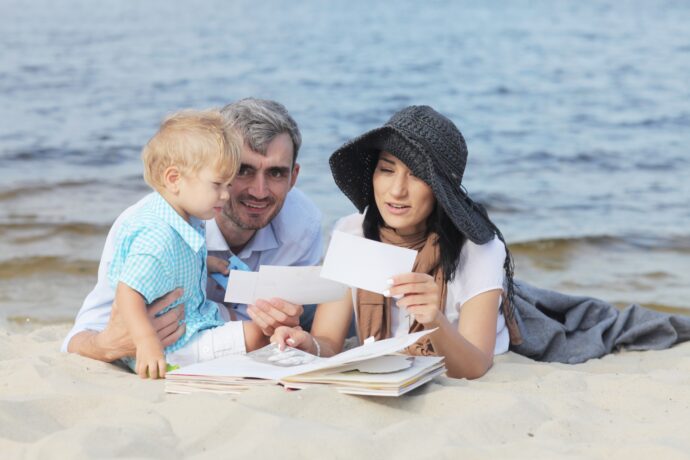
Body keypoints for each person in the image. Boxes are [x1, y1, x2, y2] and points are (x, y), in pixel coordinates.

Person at [63, 98, 323, 364]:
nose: (259, 191)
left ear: (294, 177)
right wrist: (109, 346)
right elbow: (79, 338)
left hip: (214, 328)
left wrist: (286, 324)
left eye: (276, 173)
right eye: (242, 171)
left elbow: (287, 329)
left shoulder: (302, 224)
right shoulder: (147, 226)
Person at [272, 105, 521, 380]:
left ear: (439, 189)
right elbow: (329, 342)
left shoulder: (478, 249)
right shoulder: (351, 232)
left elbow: (475, 367)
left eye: (416, 175)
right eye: (387, 170)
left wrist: (434, 319)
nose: (397, 191)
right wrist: (306, 344)